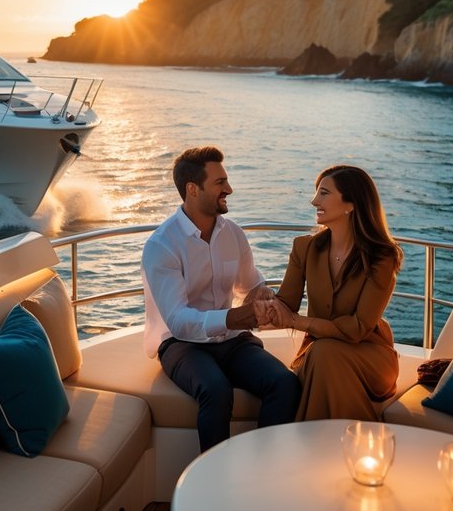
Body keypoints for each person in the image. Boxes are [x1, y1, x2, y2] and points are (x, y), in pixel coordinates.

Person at [141, 146, 301, 452]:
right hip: (179, 343)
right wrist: (238, 317)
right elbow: (179, 321)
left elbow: (250, 285)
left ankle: (265, 473)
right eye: (220, 183)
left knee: (285, 383)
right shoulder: (162, 246)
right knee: (216, 391)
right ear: (192, 189)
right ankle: (213, 488)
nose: (229, 189)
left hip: (230, 340)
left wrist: (263, 295)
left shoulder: (234, 235)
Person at [263, 165, 403, 421]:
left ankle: (312, 447)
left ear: (351, 203)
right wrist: (264, 305)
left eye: (324, 193)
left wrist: (297, 322)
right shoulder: (304, 247)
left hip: (370, 357)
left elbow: (358, 328)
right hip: (319, 354)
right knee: (323, 353)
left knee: (323, 353)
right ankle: (350, 443)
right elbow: (286, 303)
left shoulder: (381, 258)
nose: (314, 200)